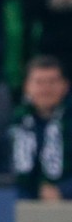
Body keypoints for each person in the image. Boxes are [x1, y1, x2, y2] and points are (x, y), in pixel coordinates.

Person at [10, 55, 72, 200]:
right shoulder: (13, 122)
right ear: (26, 86)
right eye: (39, 82)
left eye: (52, 82)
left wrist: (63, 190)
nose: (46, 89)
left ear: (65, 85)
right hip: (17, 204)